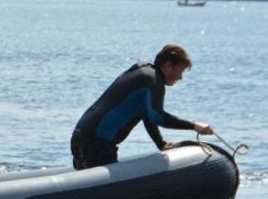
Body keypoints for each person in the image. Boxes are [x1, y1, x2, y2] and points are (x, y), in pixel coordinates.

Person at [70, 44, 214, 170]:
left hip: (80, 135)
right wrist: (194, 126)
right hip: (97, 144)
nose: (180, 77)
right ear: (168, 65)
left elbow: (147, 114)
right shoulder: (153, 80)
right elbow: (158, 117)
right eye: (180, 71)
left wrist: (161, 144)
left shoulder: (143, 72)